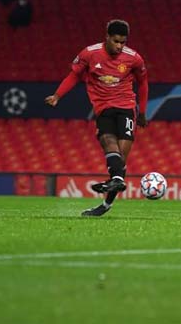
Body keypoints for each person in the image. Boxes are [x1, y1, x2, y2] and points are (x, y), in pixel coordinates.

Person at [45, 19, 149, 217]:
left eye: (123, 42)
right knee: (109, 145)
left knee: (121, 160)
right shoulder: (89, 54)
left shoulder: (134, 58)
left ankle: (106, 203)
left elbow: (143, 83)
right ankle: (115, 182)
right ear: (107, 37)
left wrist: (142, 112)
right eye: (116, 41)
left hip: (126, 107)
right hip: (103, 109)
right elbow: (74, 75)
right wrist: (57, 95)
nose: (119, 46)